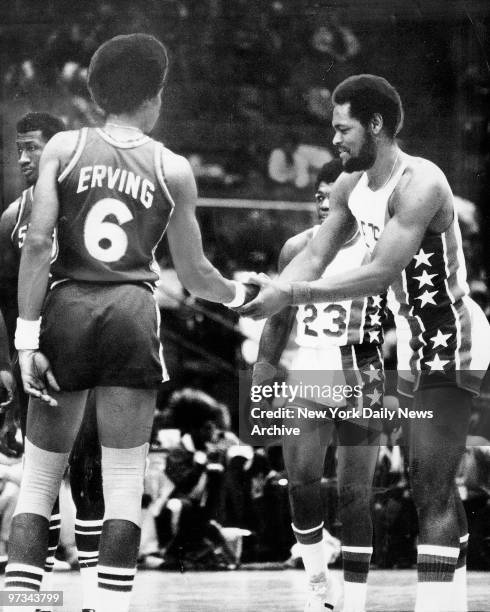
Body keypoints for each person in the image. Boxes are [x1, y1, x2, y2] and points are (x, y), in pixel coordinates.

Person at [4, 34, 255, 612]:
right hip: (132, 311)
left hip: (65, 306)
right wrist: (244, 295)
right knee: (122, 482)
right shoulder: (173, 167)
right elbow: (194, 277)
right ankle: (110, 607)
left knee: (41, 479)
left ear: (96, 93)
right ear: (157, 95)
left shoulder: (63, 148)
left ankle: (19, 605)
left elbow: (38, 243)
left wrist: (25, 338)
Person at [239, 74, 490, 612]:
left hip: (453, 340)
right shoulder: (352, 185)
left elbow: (378, 274)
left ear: (375, 125)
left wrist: (295, 292)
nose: (335, 140)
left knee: (429, 484)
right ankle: (458, 599)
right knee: (436, 483)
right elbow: (314, 255)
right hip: (415, 346)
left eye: (342, 128)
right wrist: (277, 290)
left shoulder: (420, 183)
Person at [251, 159, 384, 612]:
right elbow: (278, 315)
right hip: (308, 369)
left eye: (334, 196)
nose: (324, 204)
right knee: (301, 483)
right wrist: (263, 367)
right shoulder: (297, 248)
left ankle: (358, 601)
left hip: (362, 368)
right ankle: (318, 588)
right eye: (319, 197)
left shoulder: (379, 245)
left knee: (355, 493)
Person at [0, 112, 104, 612]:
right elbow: (3, 300)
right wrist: (9, 371)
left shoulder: (87, 207)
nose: (24, 158)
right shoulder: (11, 219)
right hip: (33, 363)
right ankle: (37, 600)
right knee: (40, 483)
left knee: (88, 476)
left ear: (59, 148)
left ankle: (88, 599)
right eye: (18, 148)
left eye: (33, 147)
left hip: (84, 357)